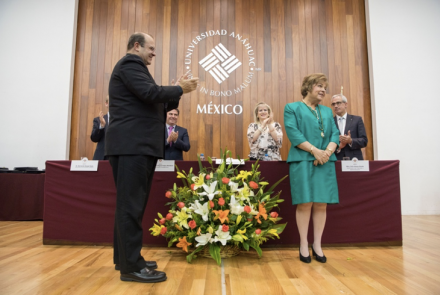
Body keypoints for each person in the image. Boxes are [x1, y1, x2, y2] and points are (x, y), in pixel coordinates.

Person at [105, 32, 198, 283]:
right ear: (137, 46)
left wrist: (177, 92)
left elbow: (158, 103)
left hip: (137, 146)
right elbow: (150, 93)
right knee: (131, 207)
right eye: (151, 48)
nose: (154, 53)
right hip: (132, 145)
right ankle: (131, 267)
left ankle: (125, 258)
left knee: (130, 206)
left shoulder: (135, 70)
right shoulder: (129, 64)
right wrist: (179, 87)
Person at [284, 73, 339, 264]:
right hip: (302, 160)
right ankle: (303, 244)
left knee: (321, 203)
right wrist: (315, 151)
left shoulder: (326, 112)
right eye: (319, 85)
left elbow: (334, 134)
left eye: (324, 86)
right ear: (308, 87)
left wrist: (326, 153)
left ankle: (317, 245)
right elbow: (294, 133)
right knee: (305, 202)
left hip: (325, 161)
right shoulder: (292, 108)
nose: (323, 89)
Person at [331, 94, 368, 160]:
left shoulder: (357, 120)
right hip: (336, 159)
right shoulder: (330, 122)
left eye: (338, 103)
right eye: (333, 104)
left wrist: (350, 141)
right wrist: (339, 147)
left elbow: (364, 141)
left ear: (345, 104)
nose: (335, 106)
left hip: (354, 160)